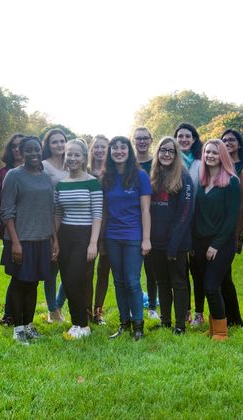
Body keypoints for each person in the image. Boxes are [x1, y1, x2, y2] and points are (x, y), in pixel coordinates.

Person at [0, 136, 56, 345]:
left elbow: (51, 211)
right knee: (19, 283)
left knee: (33, 284)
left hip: (42, 239)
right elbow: (6, 211)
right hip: (20, 239)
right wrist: (15, 242)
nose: (34, 154)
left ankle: (29, 325)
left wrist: (54, 240)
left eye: (37, 150)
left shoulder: (45, 177)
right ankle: (18, 328)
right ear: (21, 154)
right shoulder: (14, 176)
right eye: (28, 151)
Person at [102, 136, 151, 340]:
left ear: (129, 151)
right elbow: (103, 210)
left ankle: (138, 326)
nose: (119, 151)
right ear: (110, 152)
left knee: (132, 281)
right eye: (115, 148)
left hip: (133, 236)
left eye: (123, 148)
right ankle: (124, 323)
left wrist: (146, 238)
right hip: (112, 236)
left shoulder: (140, 175)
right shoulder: (106, 177)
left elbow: (145, 210)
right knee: (119, 281)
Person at [54, 139, 103, 339]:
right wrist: (54, 240)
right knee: (67, 281)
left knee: (74, 280)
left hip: (85, 236)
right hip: (64, 235)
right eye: (69, 154)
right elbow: (57, 213)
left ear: (84, 158)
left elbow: (97, 214)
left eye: (77, 155)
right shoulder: (61, 184)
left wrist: (93, 243)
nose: (72, 158)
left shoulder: (92, 182)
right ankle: (77, 325)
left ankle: (83, 323)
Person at [194, 140, 240, 341]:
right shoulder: (201, 180)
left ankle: (222, 333)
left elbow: (232, 218)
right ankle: (214, 327)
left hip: (221, 243)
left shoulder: (231, 182)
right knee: (207, 286)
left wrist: (216, 244)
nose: (210, 155)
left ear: (222, 155)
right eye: (207, 152)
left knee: (212, 286)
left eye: (214, 152)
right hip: (200, 242)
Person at [147, 137, 194, 334]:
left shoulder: (184, 177)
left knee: (179, 283)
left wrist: (173, 244)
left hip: (177, 243)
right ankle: (165, 321)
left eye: (171, 151)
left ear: (176, 155)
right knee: (162, 282)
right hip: (156, 242)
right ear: (157, 153)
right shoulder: (154, 176)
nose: (166, 154)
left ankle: (180, 326)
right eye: (162, 150)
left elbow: (186, 213)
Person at [220, 129, 243, 327]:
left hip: (231, 229)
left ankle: (235, 319)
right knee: (221, 275)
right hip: (217, 227)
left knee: (224, 275)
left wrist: (237, 234)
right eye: (224, 140)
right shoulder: (221, 165)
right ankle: (226, 317)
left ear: (239, 144)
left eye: (231, 140)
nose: (227, 142)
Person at [173, 122, 202, 326]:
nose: (184, 139)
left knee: (197, 270)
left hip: (198, 223)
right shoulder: (171, 162)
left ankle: (199, 313)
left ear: (194, 140)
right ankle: (185, 312)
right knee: (181, 270)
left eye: (187, 136)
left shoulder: (201, 163)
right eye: (180, 136)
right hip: (178, 224)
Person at [0, 132, 24, 327]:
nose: (18, 149)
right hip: (12, 231)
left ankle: (20, 315)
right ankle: (9, 315)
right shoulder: (6, 173)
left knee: (28, 277)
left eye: (21, 146)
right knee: (16, 275)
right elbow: (4, 205)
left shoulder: (38, 171)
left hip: (33, 232)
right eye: (14, 146)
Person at [42, 128, 69, 323]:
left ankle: (59, 304)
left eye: (62, 141)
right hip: (50, 221)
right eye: (55, 142)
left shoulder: (73, 164)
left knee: (71, 268)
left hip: (73, 221)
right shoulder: (44, 166)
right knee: (53, 269)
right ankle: (52, 310)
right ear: (48, 145)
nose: (59, 145)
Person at [133, 126, 159, 320]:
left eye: (145, 138)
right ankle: (134, 303)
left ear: (151, 140)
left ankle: (152, 306)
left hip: (153, 218)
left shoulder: (156, 163)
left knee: (152, 268)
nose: (141, 141)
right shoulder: (129, 163)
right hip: (132, 220)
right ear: (133, 141)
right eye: (138, 138)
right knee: (133, 268)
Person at [86, 135, 111, 324]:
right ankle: (85, 310)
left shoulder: (113, 172)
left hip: (109, 227)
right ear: (92, 149)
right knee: (85, 271)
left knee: (103, 271)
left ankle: (97, 312)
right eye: (97, 147)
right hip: (86, 226)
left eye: (104, 147)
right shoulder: (84, 170)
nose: (100, 150)